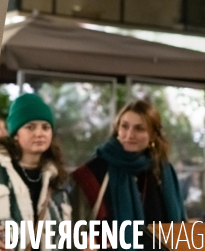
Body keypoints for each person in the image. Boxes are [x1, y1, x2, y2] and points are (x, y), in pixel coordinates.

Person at [0, 93, 71, 251]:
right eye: (30, 127)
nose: (39, 133)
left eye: (45, 127)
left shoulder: (56, 177)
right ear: (16, 134)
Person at [70, 100, 185, 249]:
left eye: (139, 129)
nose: (130, 134)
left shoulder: (163, 172)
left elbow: (179, 226)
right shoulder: (94, 172)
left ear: (153, 135)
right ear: (117, 129)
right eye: (124, 126)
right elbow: (73, 223)